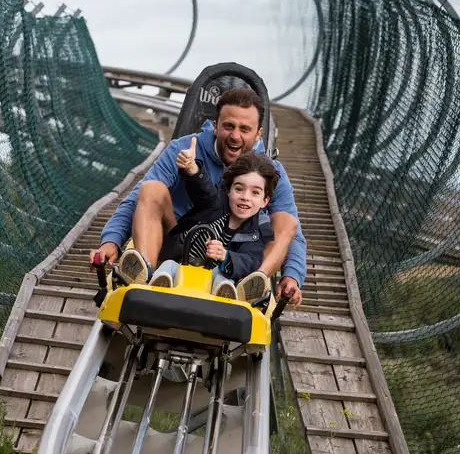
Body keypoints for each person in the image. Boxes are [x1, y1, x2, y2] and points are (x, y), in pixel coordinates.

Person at [89, 87, 305, 306]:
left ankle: (251, 286)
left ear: (258, 134)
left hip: (234, 256)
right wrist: (112, 242)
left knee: (286, 220)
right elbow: (138, 200)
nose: (235, 136)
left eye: (244, 129)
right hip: (178, 243)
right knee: (150, 188)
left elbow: (290, 231)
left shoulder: (270, 171)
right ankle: (144, 273)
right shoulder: (183, 149)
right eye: (228, 126)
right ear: (215, 125)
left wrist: (292, 275)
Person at [118, 139, 277, 305]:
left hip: (211, 282)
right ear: (229, 191)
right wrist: (192, 168)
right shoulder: (216, 204)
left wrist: (226, 256)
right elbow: (204, 189)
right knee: (169, 265)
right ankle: (154, 280)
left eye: (255, 193)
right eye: (239, 189)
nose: (245, 197)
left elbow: (251, 260)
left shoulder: (257, 230)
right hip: (181, 264)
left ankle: (228, 295)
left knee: (223, 278)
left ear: (265, 201)